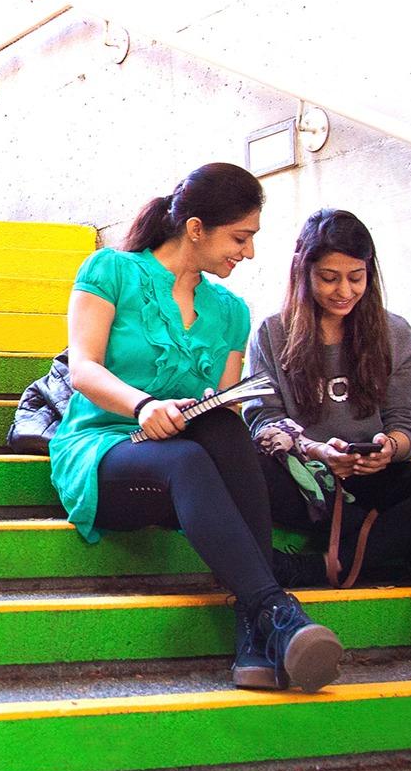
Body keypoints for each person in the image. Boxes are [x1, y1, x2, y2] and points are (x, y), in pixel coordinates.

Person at [49, 162, 343, 693]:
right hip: (104, 449)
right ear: (195, 228)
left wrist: (204, 407)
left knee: (226, 433)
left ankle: (260, 630)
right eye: (241, 237)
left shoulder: (229, 310)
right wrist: (143, 407)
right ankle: (272, 613)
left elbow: (225, 411)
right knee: (188, 460)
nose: (248, 252)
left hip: (188, 465)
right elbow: (84, 368)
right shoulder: (110, 271)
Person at [244, 208, 411, 589]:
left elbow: (406, 424)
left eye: (356, 278)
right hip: (305, 477)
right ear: (302, 273)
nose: (344, 291)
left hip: (374, 476)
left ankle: (321, 567)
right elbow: (262, 422)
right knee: (247, 468)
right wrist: (319, 452)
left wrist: (388, 449)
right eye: (329, 278)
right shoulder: (272, 332)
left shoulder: (396, 333)